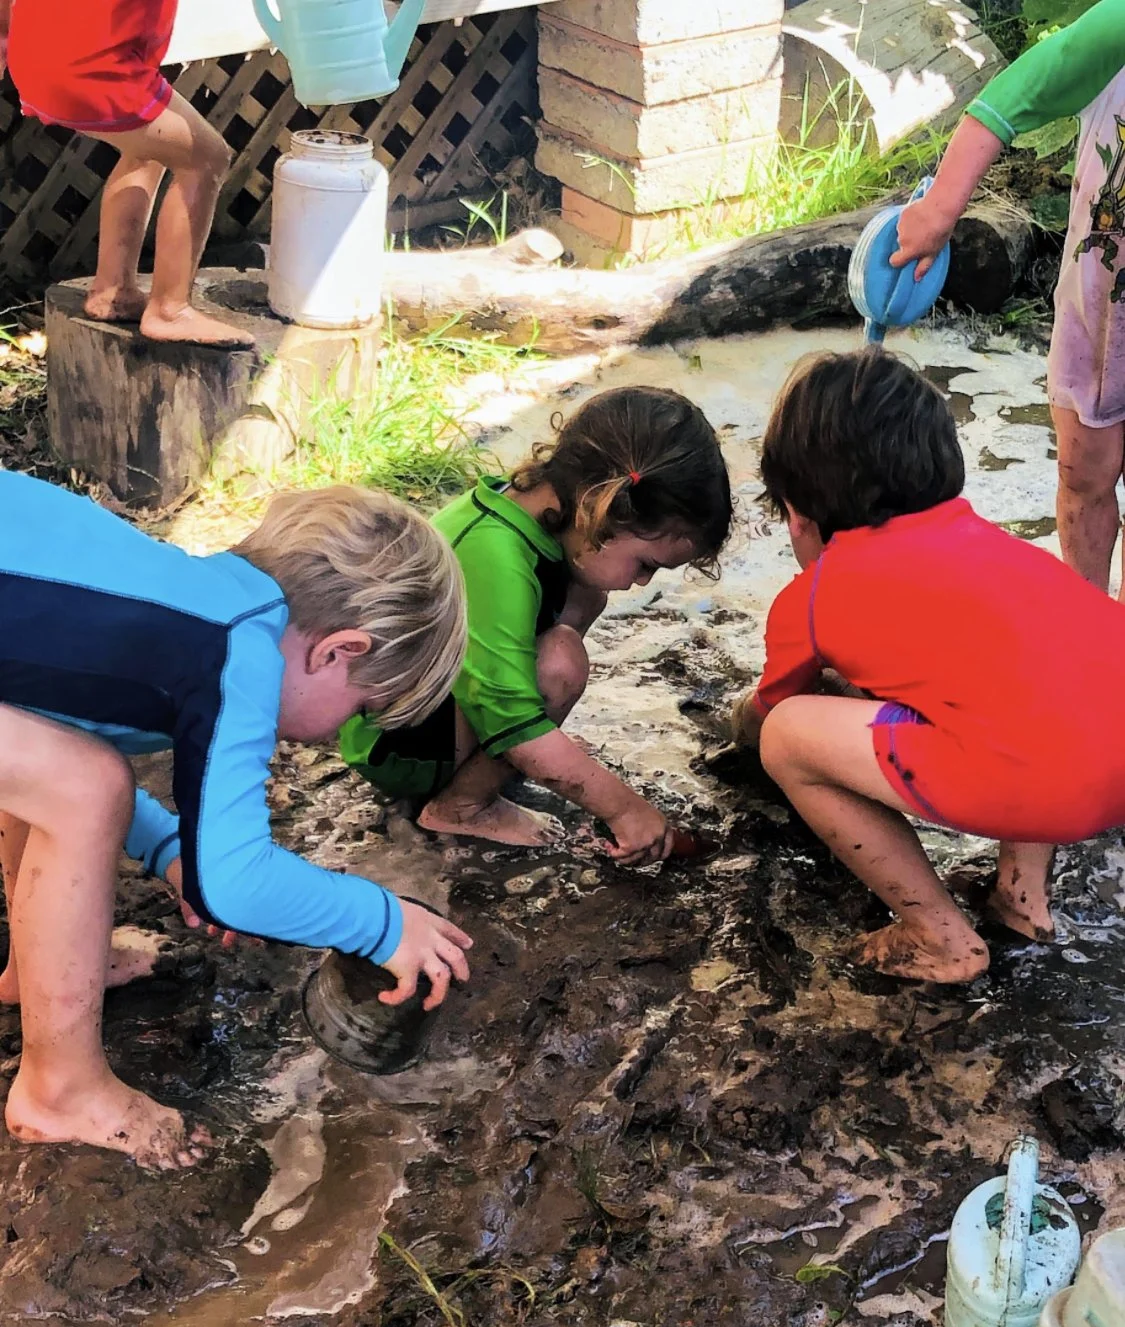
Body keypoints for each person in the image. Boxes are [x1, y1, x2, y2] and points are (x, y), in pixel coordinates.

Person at [0, 474, 472, 1169]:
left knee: (65, 775)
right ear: (340, 650)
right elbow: (236, 882)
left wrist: (167, 847)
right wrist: (383, 922)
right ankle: (60, 1090)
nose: (340, 732)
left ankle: (39, 970)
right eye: (362, 707)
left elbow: (41, 723)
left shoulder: (190, 603)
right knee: (84, 786)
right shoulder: (238, 650)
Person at [729, 348, 1125, 983]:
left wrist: (739, 731)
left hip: (1035, 784)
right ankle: (1023, 898)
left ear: (797, 512)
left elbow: (774, 712)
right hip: (1113, 765)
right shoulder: (999, 546)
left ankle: (938, 938)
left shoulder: (814, 595)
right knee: (1024, 687)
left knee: (788, 738)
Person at [889, 0, 1125, 937]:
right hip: (1107, 298)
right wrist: (938, 209)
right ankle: (1078, 653)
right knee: (1082, 475)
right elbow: (1010, 100)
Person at [341, 386, 732, 864]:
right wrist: (625, 810)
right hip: (400, 745)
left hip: (439, 709)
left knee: (589, 587)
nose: (642, 582)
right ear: (602, 508)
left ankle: (516, 751)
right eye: (646, 563)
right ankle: (461, 805)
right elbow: (508, 711)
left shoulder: (535, 510)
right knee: (560, 665)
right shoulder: (494, 553)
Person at [1, 0, 254, 347]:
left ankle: (113, 291)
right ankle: (170, 311)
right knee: (207, 159)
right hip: (94, 68)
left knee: (147, 150)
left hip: (41, 60)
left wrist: (4, 36)